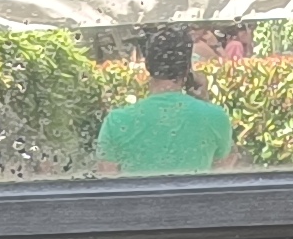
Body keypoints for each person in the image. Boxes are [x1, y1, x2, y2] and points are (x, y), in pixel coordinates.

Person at [95, 28, 239, 175]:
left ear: (147, 66)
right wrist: (204, 101)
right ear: (187, 69)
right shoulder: (214, 117)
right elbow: (225, 167)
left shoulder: (117, 121)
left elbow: (107, 178)